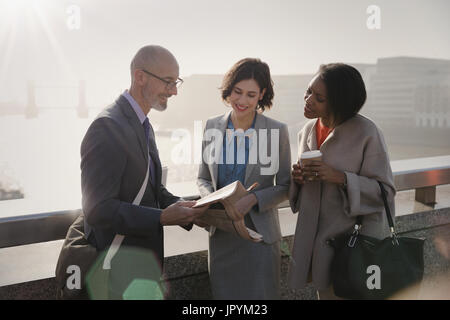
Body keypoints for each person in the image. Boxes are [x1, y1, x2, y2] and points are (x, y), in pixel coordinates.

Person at [81, 45, 208, 299]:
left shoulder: (143, 123)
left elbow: (152, 188)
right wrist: (161, 218)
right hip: (117, 274)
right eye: (168, 82)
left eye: (176, 82)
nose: (173, 91)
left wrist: (186, 207)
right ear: (140, 77)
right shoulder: (107, 126)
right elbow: (98, 209)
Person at [288, 63, 396, 300]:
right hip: (320, 248)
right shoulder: (307, 130)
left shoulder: (368, 132)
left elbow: (385, 193)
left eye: (319, 98)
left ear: (339, 102)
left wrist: (340, 178)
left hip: (355, 249)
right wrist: (298, 179)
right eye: (308, 91)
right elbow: (306, 187)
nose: (308, 100)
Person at [197, 58, 291, 299]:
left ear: (262, 95)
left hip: (259, 239)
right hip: (222, 236)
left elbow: (285, 185)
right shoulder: (211, 126)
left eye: (251, 94)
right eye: (237, 92)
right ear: (228, 90)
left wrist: (252, 200)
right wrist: (213, 200)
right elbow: (203, 178)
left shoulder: (276, 131)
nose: (242, 101)